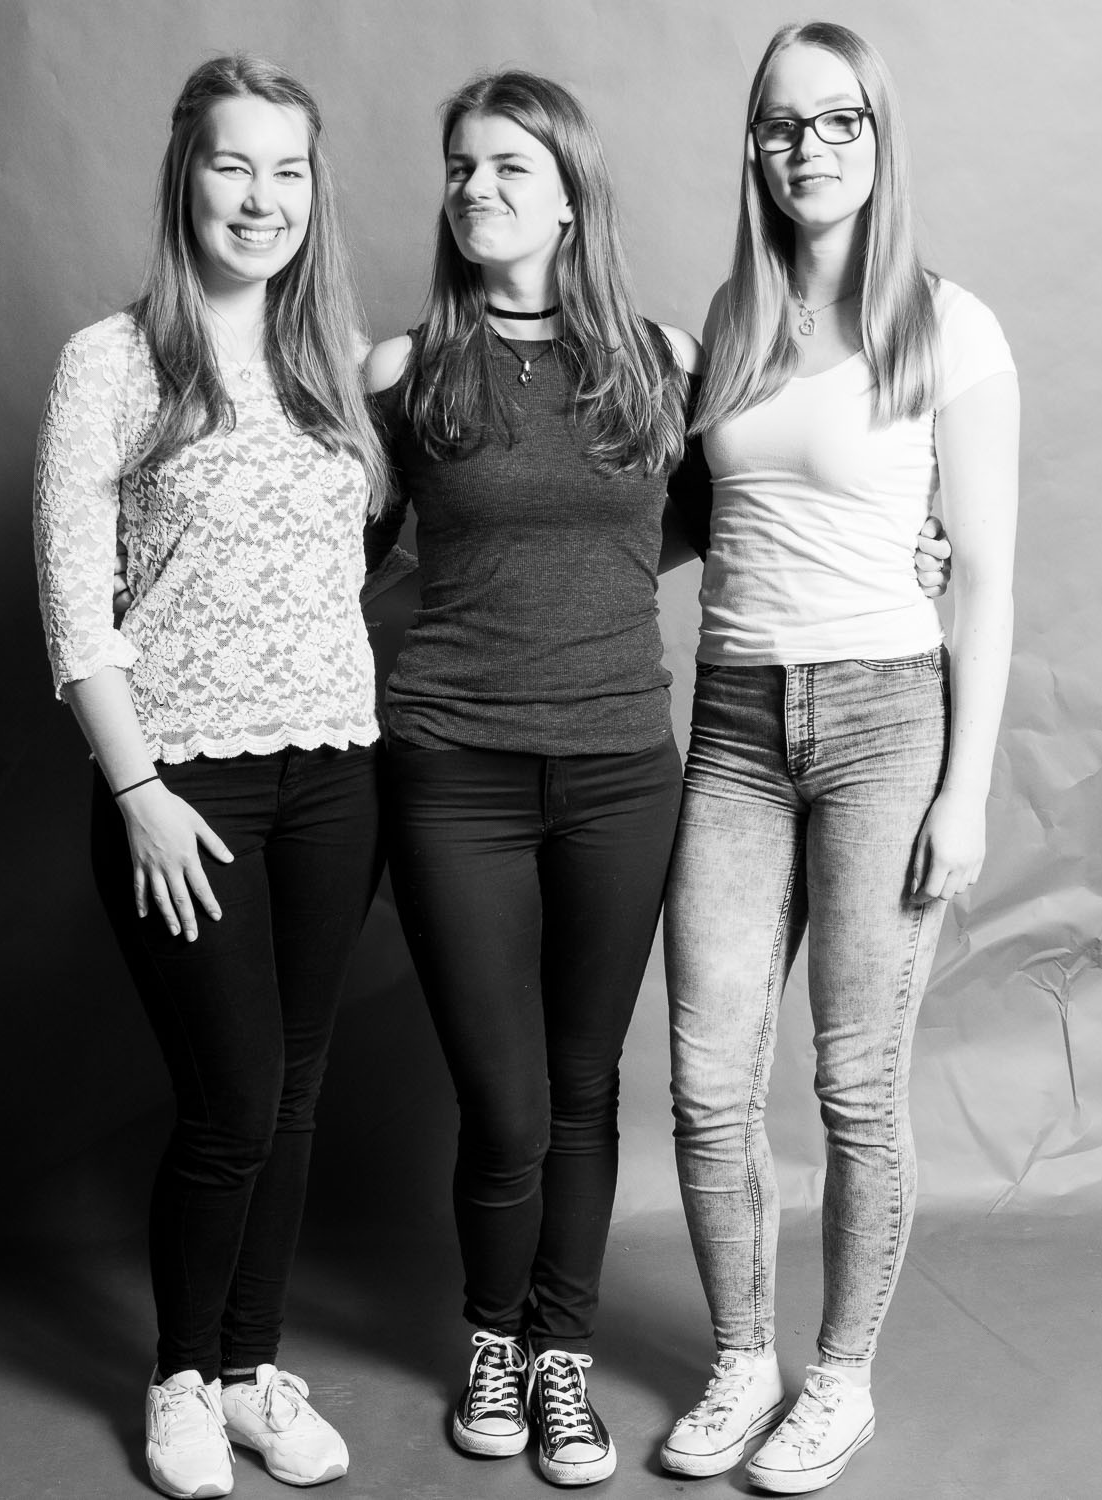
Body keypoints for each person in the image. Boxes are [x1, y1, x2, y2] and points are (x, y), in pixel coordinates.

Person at [659, 21, 1019, 1496]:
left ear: (877, 137)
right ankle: (742, 1358)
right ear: (753, 146)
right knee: (704, 1080)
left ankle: (841, 1378)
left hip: (886, 720)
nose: (807, 148)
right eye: (780, 124)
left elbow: (984, 575)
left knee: (856, 1088)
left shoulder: (949, 326)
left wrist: (966, 789)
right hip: (734, 724)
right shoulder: (730, 324)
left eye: (836, 121)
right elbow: (697, 524)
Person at [32, 54, 387, 1499]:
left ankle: (251, 1373)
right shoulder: (111, 362)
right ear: (186, 176)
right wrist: (137, 794)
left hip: (337, 776)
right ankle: (180, 1379)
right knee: (234, 1097)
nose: (262, 197)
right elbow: (75, 607)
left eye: (287, 170)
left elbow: (446, 529)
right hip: (184, 791)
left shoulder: (333, 363)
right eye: (234, 165)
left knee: (294, 1090)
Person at [362, 69, 703, 1488]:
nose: (477, 188)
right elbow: (335, 553)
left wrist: (916, 550)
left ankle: (560, 1355)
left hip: (621, 769)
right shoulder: (405, 371)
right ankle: (492, 1340)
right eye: (461, 166)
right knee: (503, 1103)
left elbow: (712, 517)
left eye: (509, 165)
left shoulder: (660, 358)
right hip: (455, 770)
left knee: (582, 1085)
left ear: (571, 193)